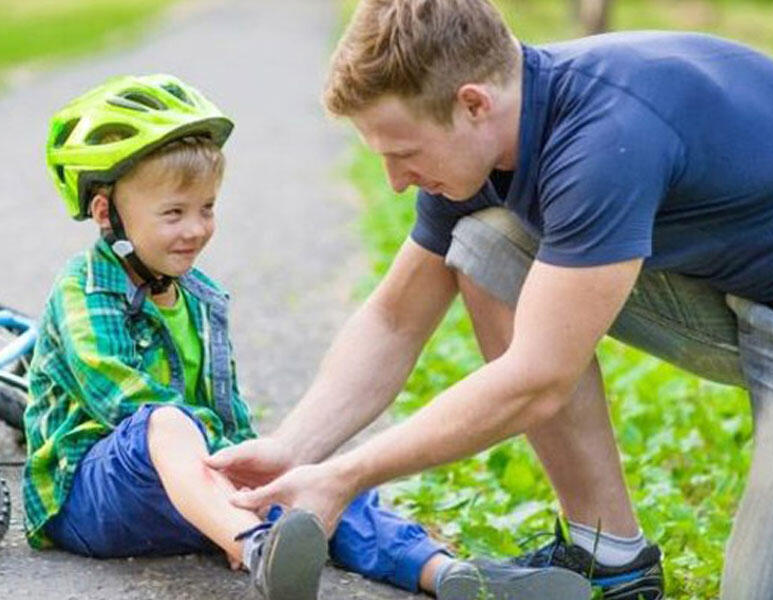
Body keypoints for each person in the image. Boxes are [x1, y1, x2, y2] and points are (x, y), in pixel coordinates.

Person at [204, 1, 773, 599]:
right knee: (487, 242)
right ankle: (610, 555)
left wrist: (347, 474)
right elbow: (394, 319)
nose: (395, 181)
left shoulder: (603, 137)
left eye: (404, 154)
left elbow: (538, 378)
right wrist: (292, 450)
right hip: (739, 296)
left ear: (473, 104)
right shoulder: (490, 139)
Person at [24, 73, 585, 600]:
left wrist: (265, 476)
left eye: (207, 209)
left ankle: (447, 573)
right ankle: (256, 548)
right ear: (105, 212)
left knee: (311, 479)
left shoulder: (199, 295)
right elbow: (124, 400)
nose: (195, 229)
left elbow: (225, 408)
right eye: (173, 213)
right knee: (166, 421)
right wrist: (230, 475)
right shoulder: (84, 290)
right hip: (89, 498)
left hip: (195, 495)